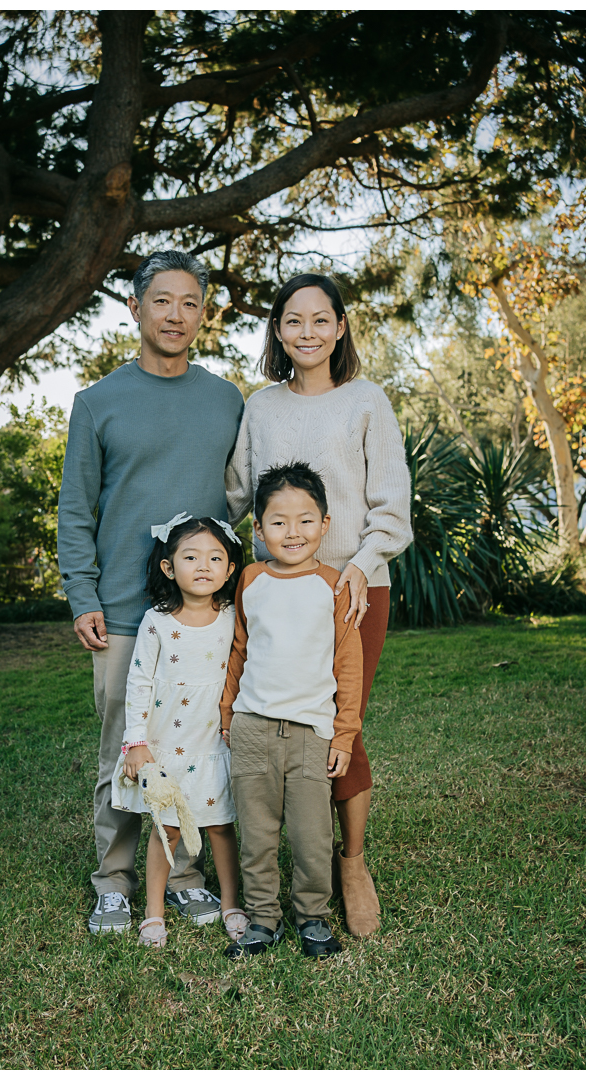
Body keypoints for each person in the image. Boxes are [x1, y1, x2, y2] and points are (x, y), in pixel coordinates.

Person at [58, 250, 244, 934]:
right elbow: (75, 510)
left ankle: (187, 872)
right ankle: (113, 878)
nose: (176, 314)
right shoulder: (97, 403)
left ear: (203, 314)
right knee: (127, 750)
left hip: (199, 616)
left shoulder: (225, 399)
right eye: (161, 301)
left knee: (193, 745)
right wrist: (83, 594)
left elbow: (236, 498)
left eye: (190, 302)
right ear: (135, 310)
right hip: (124, 614)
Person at [226, 274, 412, 938]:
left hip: (355, 587)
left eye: (320, 320)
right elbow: (239, 496)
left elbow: (392, 502)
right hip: (278, 590)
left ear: (340, 327)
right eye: (293, 321)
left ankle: (352, 863)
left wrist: (359, 566)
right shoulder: (261, 407)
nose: (307, 332)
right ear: (278, 331)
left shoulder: (366, 401)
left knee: (341, 721)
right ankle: (283, 862)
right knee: (285, 714)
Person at [221, 462, 363, 959]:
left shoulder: (335, 586)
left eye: (306, 520)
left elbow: (348, 666)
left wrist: (343, 736)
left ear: (326, 524)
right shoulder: (251, 580)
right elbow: (239, 650)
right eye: (278, 522)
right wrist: (227, 716)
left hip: (311, 734)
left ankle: (313, 918)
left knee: (311, 836)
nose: (293, 532)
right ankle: (263, 919)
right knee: (256, 834)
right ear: (258, 529)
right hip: (253, 727)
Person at [112, 515, 249, 947]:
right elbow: (138, 682)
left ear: (230, 569)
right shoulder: (157, 622)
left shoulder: (231, 617)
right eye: (191, 557)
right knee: (165, 828)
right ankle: (154, 915)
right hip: (167, 746)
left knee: (222, 825)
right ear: (169, 568)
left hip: (213, 742)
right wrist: (136, 743)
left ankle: (231, 904)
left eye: (215, 557)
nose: (203, 565)